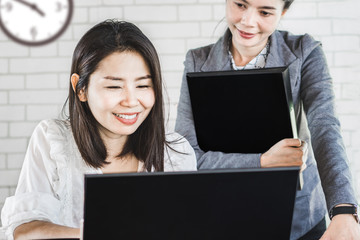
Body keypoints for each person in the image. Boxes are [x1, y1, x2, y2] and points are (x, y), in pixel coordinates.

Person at [175, 0, 360, 239]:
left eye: (265, 12)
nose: (248, 21)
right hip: (226, 215)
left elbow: (325, 127)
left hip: (300, 218)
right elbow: (186, 156)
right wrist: (262, 161)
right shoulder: (197, 61)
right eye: (240, 4)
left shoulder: (305, 51)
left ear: (282, 12)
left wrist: (344, 209)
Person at [1, 20, 197, 240]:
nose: (132, 101)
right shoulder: (52, 139)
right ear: (80, 88)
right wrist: (93, 233)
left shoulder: (176, 153)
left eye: (143, 85)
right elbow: (23, 231)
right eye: (114, 86)